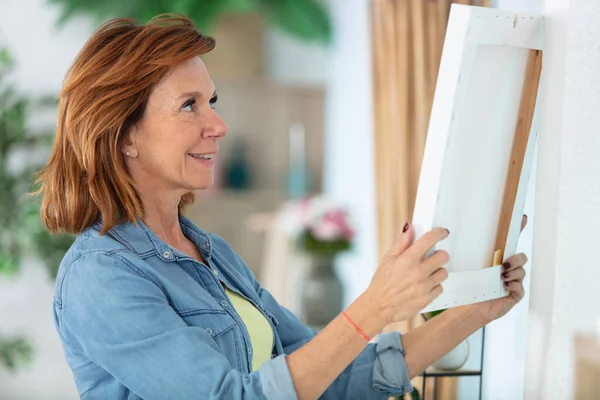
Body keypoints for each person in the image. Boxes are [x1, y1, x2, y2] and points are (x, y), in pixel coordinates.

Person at [35, 15, 529, 400]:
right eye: (190, 105)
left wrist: (476, 310)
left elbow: (328, 376)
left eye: (212, 100)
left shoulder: (213, 253)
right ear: (124, 135)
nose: (218, 124)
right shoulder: (100, 277)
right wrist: (376, 306)